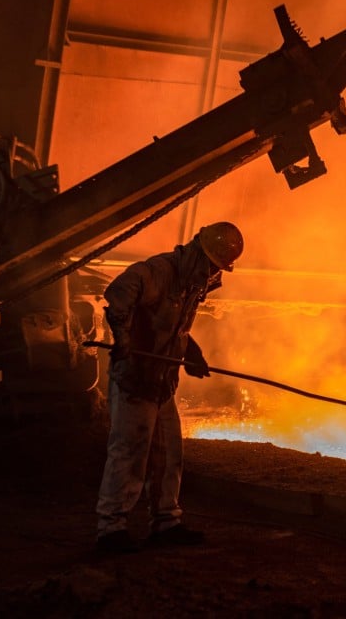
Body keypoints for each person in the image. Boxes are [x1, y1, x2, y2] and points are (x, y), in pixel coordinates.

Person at [95, 222, 244, 553]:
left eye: (216, 268)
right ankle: (111, 528)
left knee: (169, 454)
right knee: (130, 453)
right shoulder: (158, 271)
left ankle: (166, 522)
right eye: (209, 264)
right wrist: (123, 339)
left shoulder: (192, 283)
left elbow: (173, 325)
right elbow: (118, 293)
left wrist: (191, 352)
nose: (211, 273)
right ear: (195, 251)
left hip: (161, 381)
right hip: (136, 377)